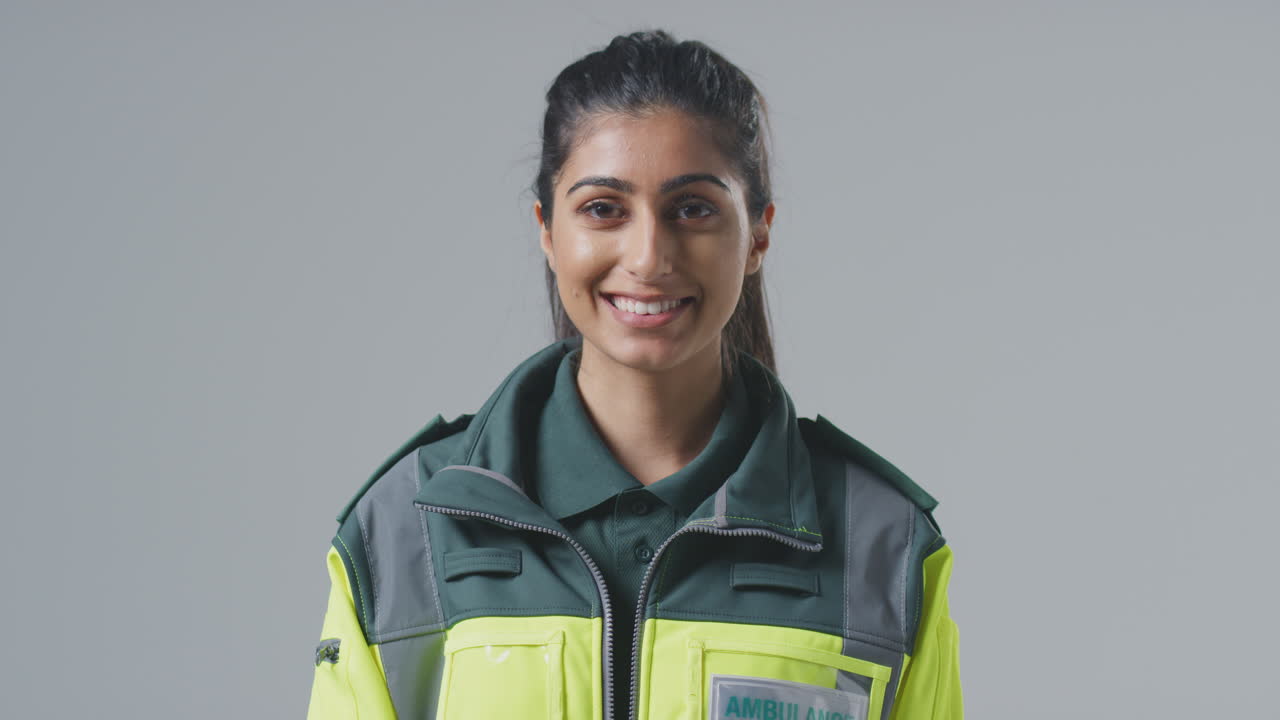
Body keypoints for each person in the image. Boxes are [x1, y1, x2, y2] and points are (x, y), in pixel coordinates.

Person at [306, 29, 962, 720]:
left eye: (693, 209)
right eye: (603, 209)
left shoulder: (884, 542)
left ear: (758, 235)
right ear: (547, 230)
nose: (648, 257)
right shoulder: (405, 528)